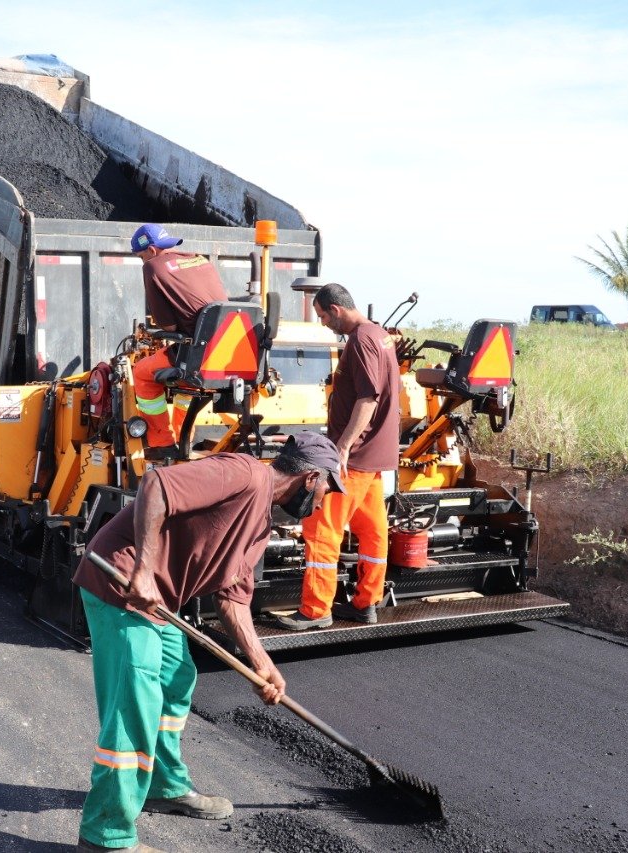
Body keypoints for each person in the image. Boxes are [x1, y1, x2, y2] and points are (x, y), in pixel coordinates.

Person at [71, 433, 346, 853]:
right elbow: (156, 485)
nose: (326, 501)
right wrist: (144, 570)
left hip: (158, 599)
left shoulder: (259, 527)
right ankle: (106, 836)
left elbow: (233, 599)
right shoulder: (244, 474)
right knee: (134, 707)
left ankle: (163, 786)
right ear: (311, 478)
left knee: (176, 679)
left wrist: (261, 664)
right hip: (122, 584)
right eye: (328, 488)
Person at [276, 282, 401, 630]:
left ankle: (315, 611)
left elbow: (368, 398)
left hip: (354, 457)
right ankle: (366, 603)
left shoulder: (361, 340)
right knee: (372, 530)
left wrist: (342, 447)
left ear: (336, 309)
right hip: (375, 457)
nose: (323, 324)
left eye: (323, 316)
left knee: (321, 530)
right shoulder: (380, 335)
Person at [129, 224, 228, 460]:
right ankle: (185, 438)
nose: (142, 261)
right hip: (224, 352)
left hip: (197, 352)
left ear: (151, 250)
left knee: (143, 372)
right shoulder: (200, 260)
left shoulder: (152, 266)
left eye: (141, 256)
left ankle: (162, 443)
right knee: (188, 382)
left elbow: (169, 327)